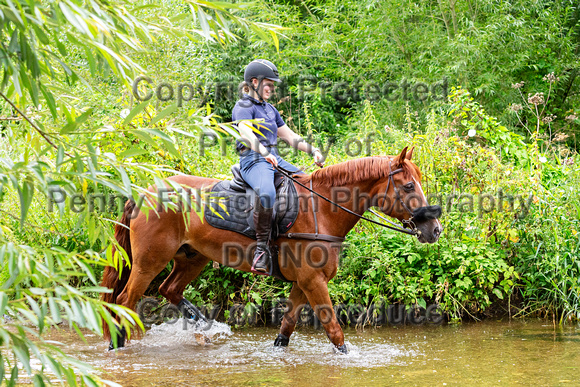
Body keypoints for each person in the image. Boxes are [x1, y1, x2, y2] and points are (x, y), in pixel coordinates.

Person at [232, 59, 325, 274]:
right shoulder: (243, 106)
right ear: (254, 82)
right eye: (268, 84)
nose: (272, 89)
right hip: (253, 159)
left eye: (273, 85)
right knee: (266, 193)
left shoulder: (270, 109)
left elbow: (289, 136)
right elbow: (245, 133)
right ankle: (261, 250)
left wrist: (313, 150)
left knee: (307, 184)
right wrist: (263, 153)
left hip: (274, 158)